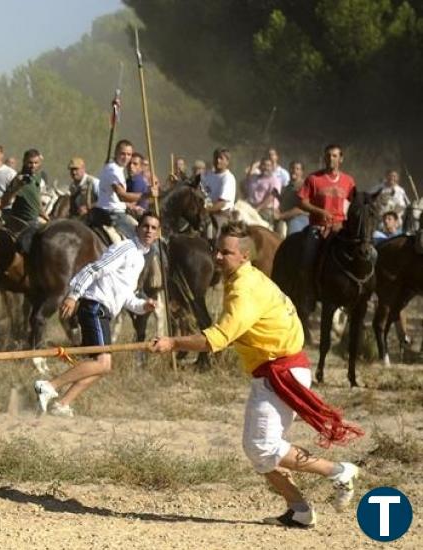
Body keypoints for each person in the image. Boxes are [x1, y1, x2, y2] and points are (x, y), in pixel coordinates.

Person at [150, 221, 362, 528]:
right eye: (217, 250)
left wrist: (173, 342)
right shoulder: (243, 279)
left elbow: (216, 340)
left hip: (281, 372)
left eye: (226, 252)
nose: (218, 257)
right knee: (259, 451)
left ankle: (339, 471)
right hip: (273, 371)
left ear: (245, 255)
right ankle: (300, 509)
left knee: (262, 446)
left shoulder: (244, 290)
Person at [34, 212, 160, 417]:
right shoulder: (126, 248)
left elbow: (126, 296)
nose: (149, 231)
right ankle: (48, 386)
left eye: (154, 228)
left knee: (102, 366)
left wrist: (143, 306)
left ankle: (62, 404)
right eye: (145, 226)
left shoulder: (140, 259)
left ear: (157, 234)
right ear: (137, 228)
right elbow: (94, 269)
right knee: (102, 362)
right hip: (95, 306)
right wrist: (73, 295)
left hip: (104, 311)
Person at [296, 144, 356, 305]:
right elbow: (302, 202)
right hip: (318, 227)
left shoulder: (349, 181)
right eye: (328, 155)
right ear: (324, 158)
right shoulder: (313, 179)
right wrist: (319, 212)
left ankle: (359, 292)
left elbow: (355, 205)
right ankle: (307, 290)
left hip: (341, 228)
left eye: (335, 156)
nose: (331, 158)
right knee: (307, 256)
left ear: (341, 159)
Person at [91, 140, 152, 239]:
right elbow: (122, 196)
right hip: (114, 215)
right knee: (141, 239)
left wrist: (128, 206)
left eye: (129, 154)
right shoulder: (113, 170)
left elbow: (114, 198)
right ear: (116, 153)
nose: (126, 157)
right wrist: (147, 195)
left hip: (113, 210)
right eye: (122, 154)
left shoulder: (116, 168)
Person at [246, 157, 282, 225]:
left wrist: (258, 209)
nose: (266, 167)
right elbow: (244, 183)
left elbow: (271, 196)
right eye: (263, 165)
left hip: (266, 209)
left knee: (254, 222)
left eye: (268, 165)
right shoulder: (253, 177)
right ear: (260, 167)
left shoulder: (275, 180)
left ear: (272, 167)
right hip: (251, 207)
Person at [276, 161, 308, 236]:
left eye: (297, 169)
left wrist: (281, 216)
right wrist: (277, 196)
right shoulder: (288, 187)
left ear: (302, 172)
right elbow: (286, 203)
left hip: (299, 218)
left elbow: (300, 208)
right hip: (286, 218)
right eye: (292, 168)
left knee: (292, 238)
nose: (294, 170)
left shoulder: (303, 187)